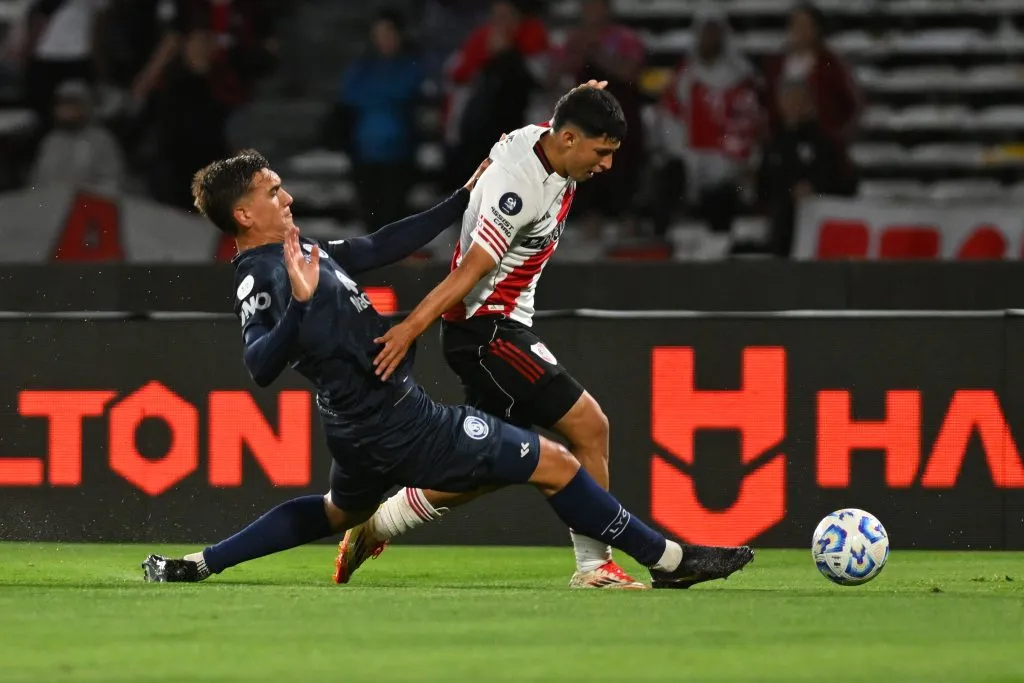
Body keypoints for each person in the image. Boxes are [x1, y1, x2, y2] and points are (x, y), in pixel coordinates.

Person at [140, 148, 754, 589]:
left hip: (360, 431)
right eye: (273, 192)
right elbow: (259, 366)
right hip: (401, 424)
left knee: (337, 511)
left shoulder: (304, 252)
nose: (289, 196)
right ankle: (670, 560)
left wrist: (462, 198)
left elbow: (382, 245)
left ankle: (200, 563)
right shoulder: (263, 274)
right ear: (244, 216)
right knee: (557, 462)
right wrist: (300, 309)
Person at [345, 83, 654, 590]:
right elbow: (468, 274)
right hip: (487, 331)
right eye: (601, 153)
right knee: (590, 427)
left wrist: (580, 94)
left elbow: (554, 120)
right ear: (571, 139)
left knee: (490, 464)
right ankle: (594, 566)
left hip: (498, 326)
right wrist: (407, 327)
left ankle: (378, 524)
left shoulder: (544, 140)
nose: (606, 166)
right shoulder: (517, 189)